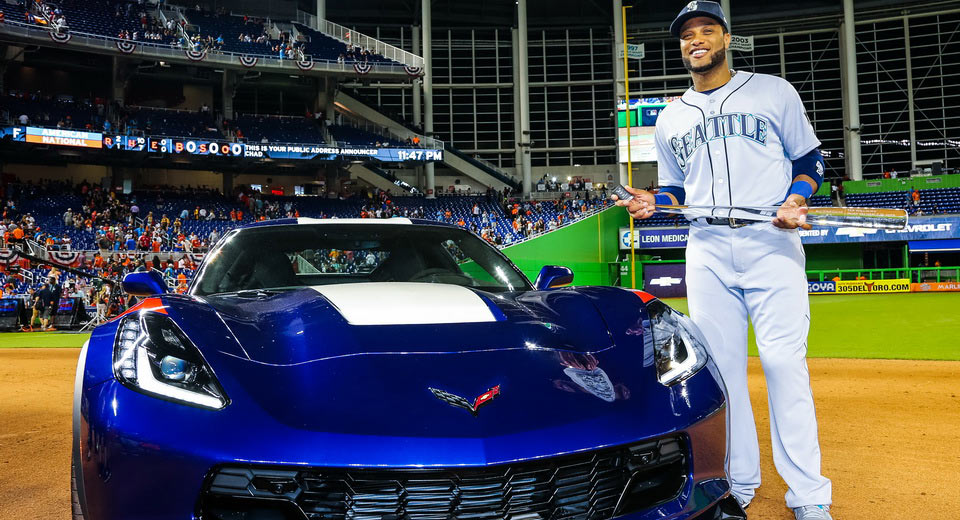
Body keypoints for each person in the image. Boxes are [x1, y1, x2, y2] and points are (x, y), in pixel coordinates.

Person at [613, 3, 832, 519]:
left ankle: (810, 496)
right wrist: (652, 203)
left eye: (706, 30)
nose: (696, 40)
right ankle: (737, 483)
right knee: (723, 372)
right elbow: (672, 190)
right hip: (707, 247)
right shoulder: (671, 117)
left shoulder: (773, 91)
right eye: (688, 35)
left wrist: (797, 199)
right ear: (682, 46)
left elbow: (809, 161)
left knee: (783, 365)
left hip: (770, 242)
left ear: (725, 38)